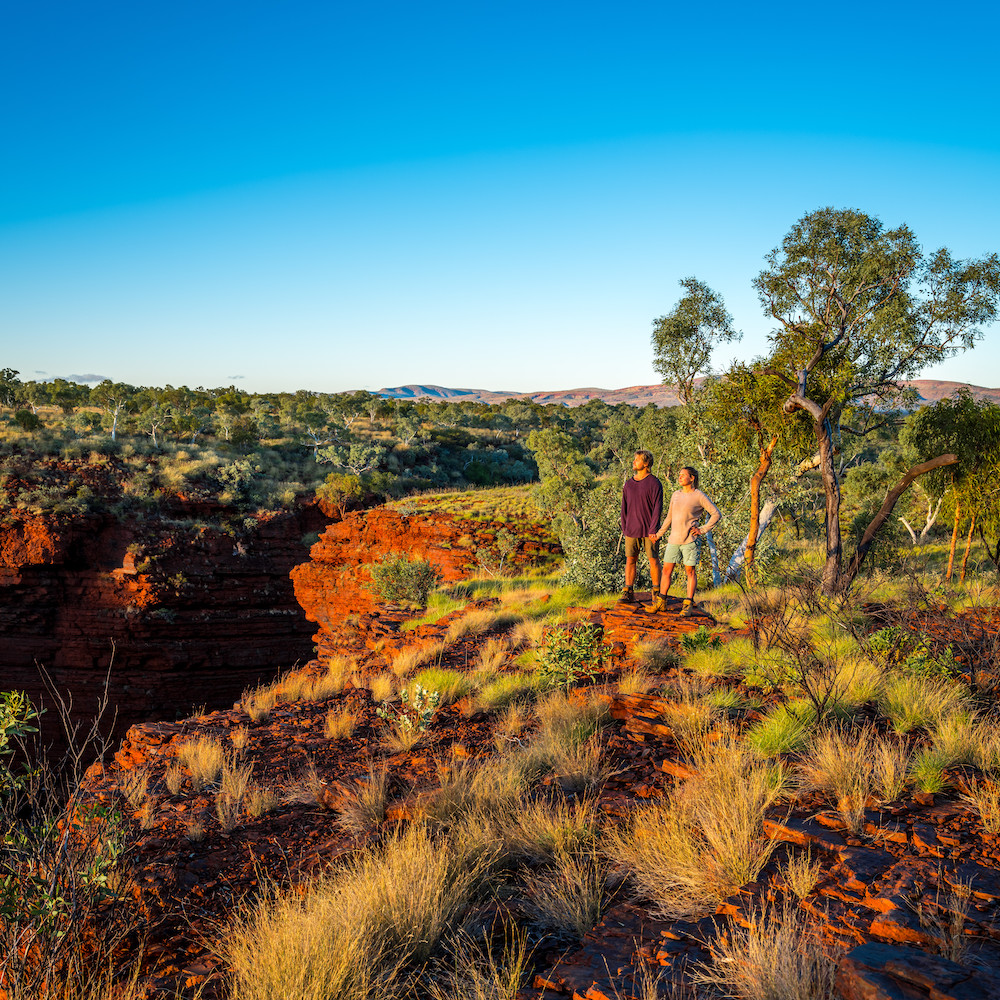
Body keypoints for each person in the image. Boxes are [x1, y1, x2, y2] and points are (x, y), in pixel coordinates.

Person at [651, 466, 720, 617]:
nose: (680, 477)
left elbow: (716, 514)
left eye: (683, 475)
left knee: (690, 572)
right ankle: (661, 602)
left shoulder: (699, 496)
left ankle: (688, 604)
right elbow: (669, 517)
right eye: (679, 474)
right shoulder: (676, 495)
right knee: (667, 570)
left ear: (692, 478)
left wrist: (702, 529)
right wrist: (659, 534)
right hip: (673, 540)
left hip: (690, 541)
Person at [619, 450, 662, 605]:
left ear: (646, 463)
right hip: (631, 529)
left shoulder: (654, 483)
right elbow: (624, 507)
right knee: (630, 559)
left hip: (650, 531)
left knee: (653, 560)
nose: (633, 462)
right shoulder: (629, 484)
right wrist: (625, 527)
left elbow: (657, 508)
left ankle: (657, 592)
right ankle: (628, 591)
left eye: (637, 460)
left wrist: (653, 529)